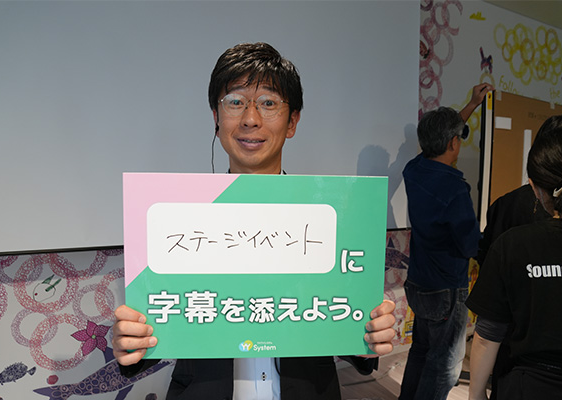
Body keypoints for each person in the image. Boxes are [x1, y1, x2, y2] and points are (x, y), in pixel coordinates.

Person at [112, 42, 396, 399]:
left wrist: (368, 335)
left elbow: (347, 323)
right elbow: (162, 320)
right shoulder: (179, 221)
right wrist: (132, 341)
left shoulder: (331, 218)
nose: (250, 119)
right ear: (216, 119)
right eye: (235, 102)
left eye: (269, 103)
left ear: (292, 122)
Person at [466, 114, 562, 400]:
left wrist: (476, 394)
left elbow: (488, 334)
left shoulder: (514, 244)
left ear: (535, 188)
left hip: (528, 385)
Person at [398, 82, 492, 400]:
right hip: (446, 289)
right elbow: (469, 245)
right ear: (454, 143)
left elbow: (438, 139)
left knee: (421, 351)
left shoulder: (414, 170)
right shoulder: (455, 189)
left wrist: (472, 105)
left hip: (418, 283)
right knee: (445, 366)